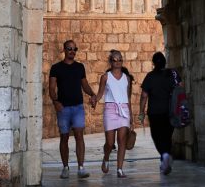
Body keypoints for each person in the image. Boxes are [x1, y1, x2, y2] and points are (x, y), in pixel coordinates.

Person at [49, 40, 96, 179]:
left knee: (79, 136)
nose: (72, 51)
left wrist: (93, 94)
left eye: (74, 49)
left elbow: (85, 85)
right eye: (69, 49)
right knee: (64, 137)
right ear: (64, 50)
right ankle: (65, 167)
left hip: (77, 107)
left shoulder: (80, 67)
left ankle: (81, 167)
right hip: (63, 108)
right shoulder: (56, 68)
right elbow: (51, 88)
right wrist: (55, 102)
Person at [93, 49, 133, 178]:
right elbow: (100, 94)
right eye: (115, 60)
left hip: (124, 110)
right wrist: (94, 100)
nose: (118, 62)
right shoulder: (105, 77)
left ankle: (119, 169)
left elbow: (128, 98)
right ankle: (106, 157)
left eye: (120, 59)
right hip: (110, 110)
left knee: (122, 140)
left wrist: (131, 117)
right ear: (110, 62)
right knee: (110, 143)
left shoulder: (127, 78)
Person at [139, 52, 176, 174]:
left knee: (157, 136)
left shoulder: (150, 76)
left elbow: (144, 96)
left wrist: (141, 112)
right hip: (170, 111)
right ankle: (165, 160)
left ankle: (164, 156)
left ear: (153, 63)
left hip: (155, 112)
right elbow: (180, 87)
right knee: (167, 136)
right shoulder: (172, 74)